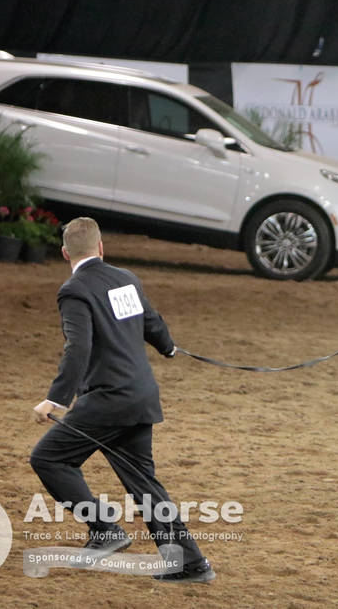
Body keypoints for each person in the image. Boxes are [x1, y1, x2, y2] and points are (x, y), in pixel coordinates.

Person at [29, 217, 215, 583]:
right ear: (101, 247)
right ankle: (191, 563)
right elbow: (151, 322)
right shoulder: (126, 278)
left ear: (65, 253)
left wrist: (56, 399)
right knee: (145, 484)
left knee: (49, 458)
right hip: (140, 395)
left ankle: (105, 529)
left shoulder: (74, 290)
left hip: (108, 400)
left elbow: (78, 347)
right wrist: (168, 348)